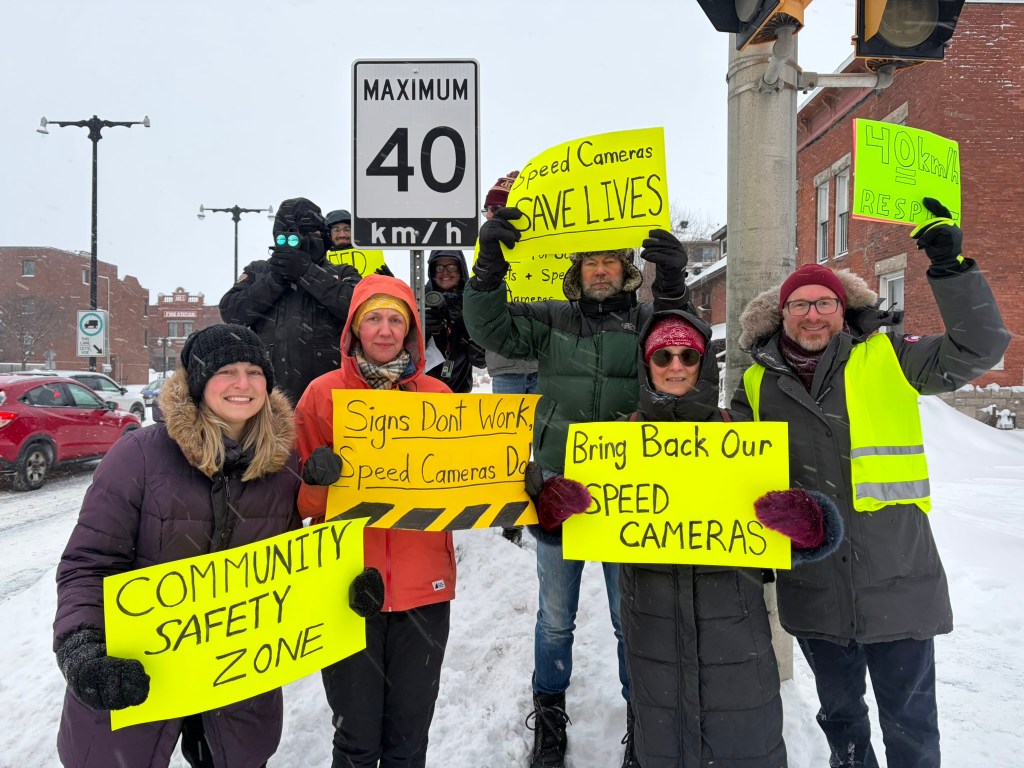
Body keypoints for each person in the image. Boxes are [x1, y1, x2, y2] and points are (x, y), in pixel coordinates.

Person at [732, 199, 1010, 768]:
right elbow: (729, 468)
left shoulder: (892, 357)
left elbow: (980, 348)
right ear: (782, 315)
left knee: (911, 724)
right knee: (841, 719)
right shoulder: (757, 385)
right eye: (800, 304)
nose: (813, 315)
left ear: (844, 309)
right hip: (814, 586)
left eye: (825, 303)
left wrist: (950, 269)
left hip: (897, 580)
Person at [463, 205, 690, 768]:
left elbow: (685, 348)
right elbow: (488, 328)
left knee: (628, 619)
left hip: (627, 496)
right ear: (577, 269)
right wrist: (488, 269)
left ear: (627, 268)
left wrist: (673, 287)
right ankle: (549, 715)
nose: (601, 270)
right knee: (555, 617)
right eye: (591, 261)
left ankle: (641, 720)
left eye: (610, 260)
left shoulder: (646, 322)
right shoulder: (550, 319)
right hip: (557, 492)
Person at [52, 324, 304, 768]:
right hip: (135, 674)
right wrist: (83, 646)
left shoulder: (283, 467)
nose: (243, 383)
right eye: (226, 371)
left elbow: (291, 567)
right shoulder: (138, 456)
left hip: (237, 679)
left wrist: (344, 591)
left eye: (254, 372)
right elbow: (88, 563)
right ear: (199, 381)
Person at [619, 311, 844, 768]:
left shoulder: (741, 432)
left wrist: (810, 524)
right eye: (663, 356)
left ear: (704, 363)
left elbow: (791, 531)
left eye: (688, 356)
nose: (676, 365)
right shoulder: (615, 442)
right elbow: (580, 529)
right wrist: (555, 516)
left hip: (737, 648)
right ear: (646, 365)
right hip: (653, 647)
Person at [293, 273, 457, 768]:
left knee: (409, 741)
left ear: (410, 330)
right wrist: (316, 481)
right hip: (348, 586)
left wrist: (517, 484)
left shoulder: (438, 396)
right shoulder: (320, 396)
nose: (385, 330)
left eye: (395, 320)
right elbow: (301, 506)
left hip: (423, 590)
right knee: (356, 741)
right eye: (373, 319)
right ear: (354, 329)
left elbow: (466, 484)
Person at [219, 197, 361, 404]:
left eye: (306, 234)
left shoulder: (342, 272)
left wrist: (307, 273)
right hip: (270, 398)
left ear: (321, 236)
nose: (297, 242)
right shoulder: (260, 271)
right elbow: (232, 313)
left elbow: (357, 309)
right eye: (287, 235)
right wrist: (275, 279)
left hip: (328, 397)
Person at [482, 170, 539, 547]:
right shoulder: (485, 250)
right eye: (488, 209)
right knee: (509, 448)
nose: (491, 215)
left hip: (545, 362)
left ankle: (546, 508)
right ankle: (510, 518)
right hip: (505, 365)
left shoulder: (542, 246)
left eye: (497, 208)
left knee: (547, 445)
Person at [422, 249, 486, 394]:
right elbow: (405, 353)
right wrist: (421, 331)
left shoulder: (473, 303)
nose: (445, 272)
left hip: (459, 392)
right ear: (432, 271)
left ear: (461, 270)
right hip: (423, 390)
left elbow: (481, 362)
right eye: (439, 267)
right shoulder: (419, 300)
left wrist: (472, 338)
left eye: (451, 267)